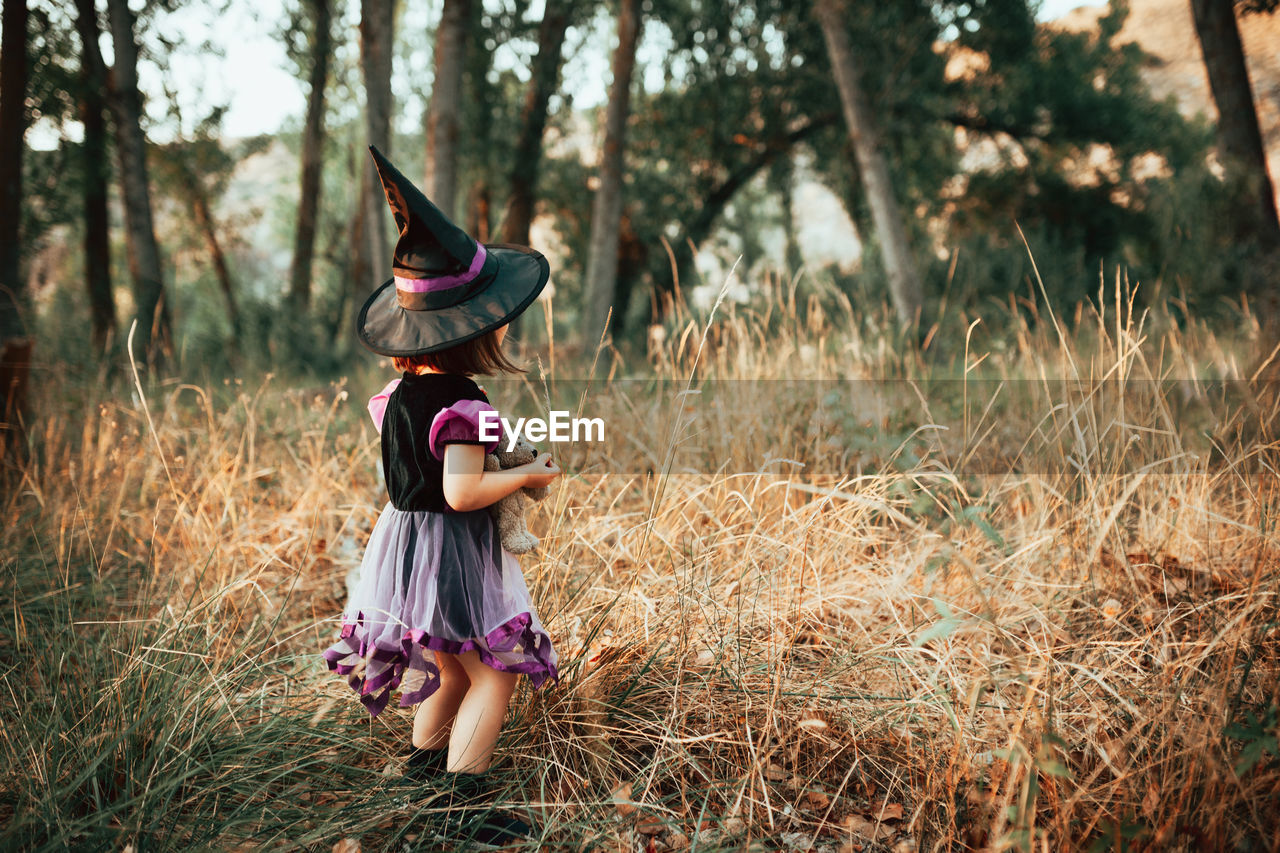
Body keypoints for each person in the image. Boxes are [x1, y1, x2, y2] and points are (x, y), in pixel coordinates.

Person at [322, 145, 561, 845]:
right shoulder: (463, 401)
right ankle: (462, 807)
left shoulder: (398, 395)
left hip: (404, 546)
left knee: (452, 672)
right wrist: (525, 475)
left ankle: (419, 779)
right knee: (493, 673)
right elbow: (461, 492)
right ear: (478, 329)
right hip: (451, 547)